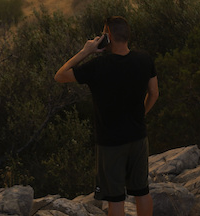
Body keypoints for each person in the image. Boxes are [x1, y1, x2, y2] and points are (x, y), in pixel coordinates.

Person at [54, 17, 159, 216]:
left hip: (110, 143)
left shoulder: (97, 66)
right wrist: (141, 114)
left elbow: (60, 75)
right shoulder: (144, 59)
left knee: (116, 198)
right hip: (138, 137)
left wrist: (86, 51)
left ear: (108, 37)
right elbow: (154, 93)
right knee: (142, 191)